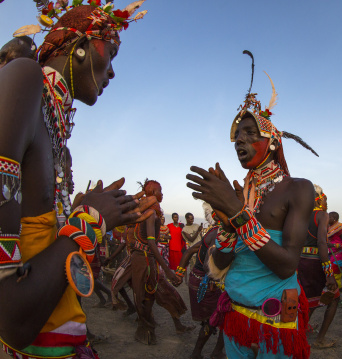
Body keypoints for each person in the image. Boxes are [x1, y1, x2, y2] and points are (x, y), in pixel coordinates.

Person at [0, 3, 153, 357]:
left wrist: (79, 219)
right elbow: (11, 317)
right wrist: (90, 222)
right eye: (111, 53)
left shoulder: (58, 141)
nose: (112, 72)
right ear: (82, 46)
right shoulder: (25, 78)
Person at [186, 51, 318, 358]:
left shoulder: (297, 188)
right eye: (236, 137)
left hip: (275, 317)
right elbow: (220, 263)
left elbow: (287, 264)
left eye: (249, 134)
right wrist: (225, 225)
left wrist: (236, 214)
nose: (239, 141)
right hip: (236, 314)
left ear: (272, 142)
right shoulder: (243, 194)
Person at [130, 179, 192, 344]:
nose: (162, 194)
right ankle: (146, 330)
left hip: (143, 258)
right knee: (147, 294)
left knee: (148, 293)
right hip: (145, 259)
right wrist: (168, 269)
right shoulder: (150, 214)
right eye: (160, 191)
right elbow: (151, 242)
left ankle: (147, 329)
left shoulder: (149, 212)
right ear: (153, 193)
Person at [175, 203, 224, 359]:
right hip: (206, 283)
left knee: (215, 320)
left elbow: (190, 250)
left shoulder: (212, 232)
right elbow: (207, 265)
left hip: (198, 280)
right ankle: (201, 353)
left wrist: (179, 273)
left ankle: (213, 351)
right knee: (219, 318)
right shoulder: (219, 235)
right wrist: (216, 281)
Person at [297, 185, 339, 349]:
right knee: (334, 298)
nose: (326, 202)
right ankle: (320, 339)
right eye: (325, 198)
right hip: (316, 262)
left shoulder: (302, 215)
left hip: (303, 261)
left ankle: (300, 330)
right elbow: (321, 242)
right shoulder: (322, 215)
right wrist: (328, 273)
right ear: (319, 198)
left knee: (309, 300)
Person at [327, 211, 342, 292]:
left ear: (334, 219)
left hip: (339, 256)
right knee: (332, 277)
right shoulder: (330, 228)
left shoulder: (338, 230)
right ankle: (339, 295)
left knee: (334, 278)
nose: (327, 218)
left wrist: (334, 245)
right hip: (333, 256)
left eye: (329, 217)